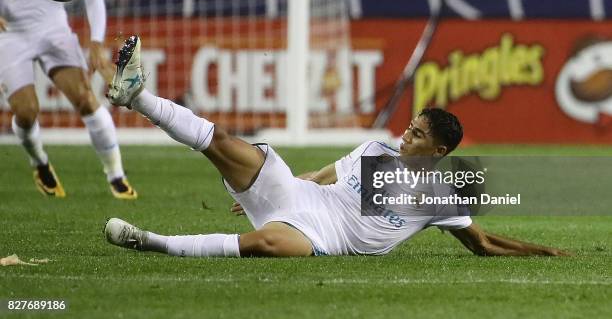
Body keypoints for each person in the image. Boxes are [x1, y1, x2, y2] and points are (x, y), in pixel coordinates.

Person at [104, 35, 568, 257]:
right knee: (223, 142)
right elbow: (324, 176)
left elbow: (483, 244)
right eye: (409, 127)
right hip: (298, 197)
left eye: (417, 135)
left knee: (265, 243)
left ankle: (148, 243)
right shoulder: (373, 152)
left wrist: (547, 252)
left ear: (438, 153)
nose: (405, 135)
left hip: (323, 238)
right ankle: (136, 95)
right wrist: (265, 186)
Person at [0, 0, 136, 199]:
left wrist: (96, 44)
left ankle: (116, 175)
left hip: (54, 29)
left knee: (86, 97)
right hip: (10, 32)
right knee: (26, 112)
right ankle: (39, 162)